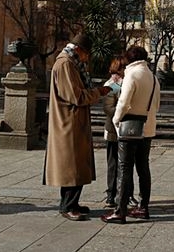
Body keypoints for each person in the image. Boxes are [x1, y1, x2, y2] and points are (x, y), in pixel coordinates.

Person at [43, 34, 112, 221]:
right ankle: (67, 206)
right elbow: (76, 96)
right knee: (71, 166)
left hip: (74, 121)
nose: (87, 59)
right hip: (68, 122)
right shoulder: (66, 64)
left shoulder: (72, 63)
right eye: (87, 54)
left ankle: (72, 203)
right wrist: (99, 92)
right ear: (79, 50)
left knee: (76, 165)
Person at [102, 45, 160, 224]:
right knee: (143, 167)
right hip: (147, 127)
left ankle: (120, 210)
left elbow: (123, 102)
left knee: (124, 168)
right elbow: (156, 104)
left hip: (129, 128)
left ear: (129, 59)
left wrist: (116, 120)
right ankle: (143, 207)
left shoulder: (131, 74)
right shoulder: (153, 77)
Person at [101, 56, 136, 208]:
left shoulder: (127, 83)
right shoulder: (111, 86)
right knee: (113, 164)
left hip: (127, 130)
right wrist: (123, 112)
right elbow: (108, 108)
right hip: (113, 130)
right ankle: (111, 194)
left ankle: (127, 194)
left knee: (127, 164)